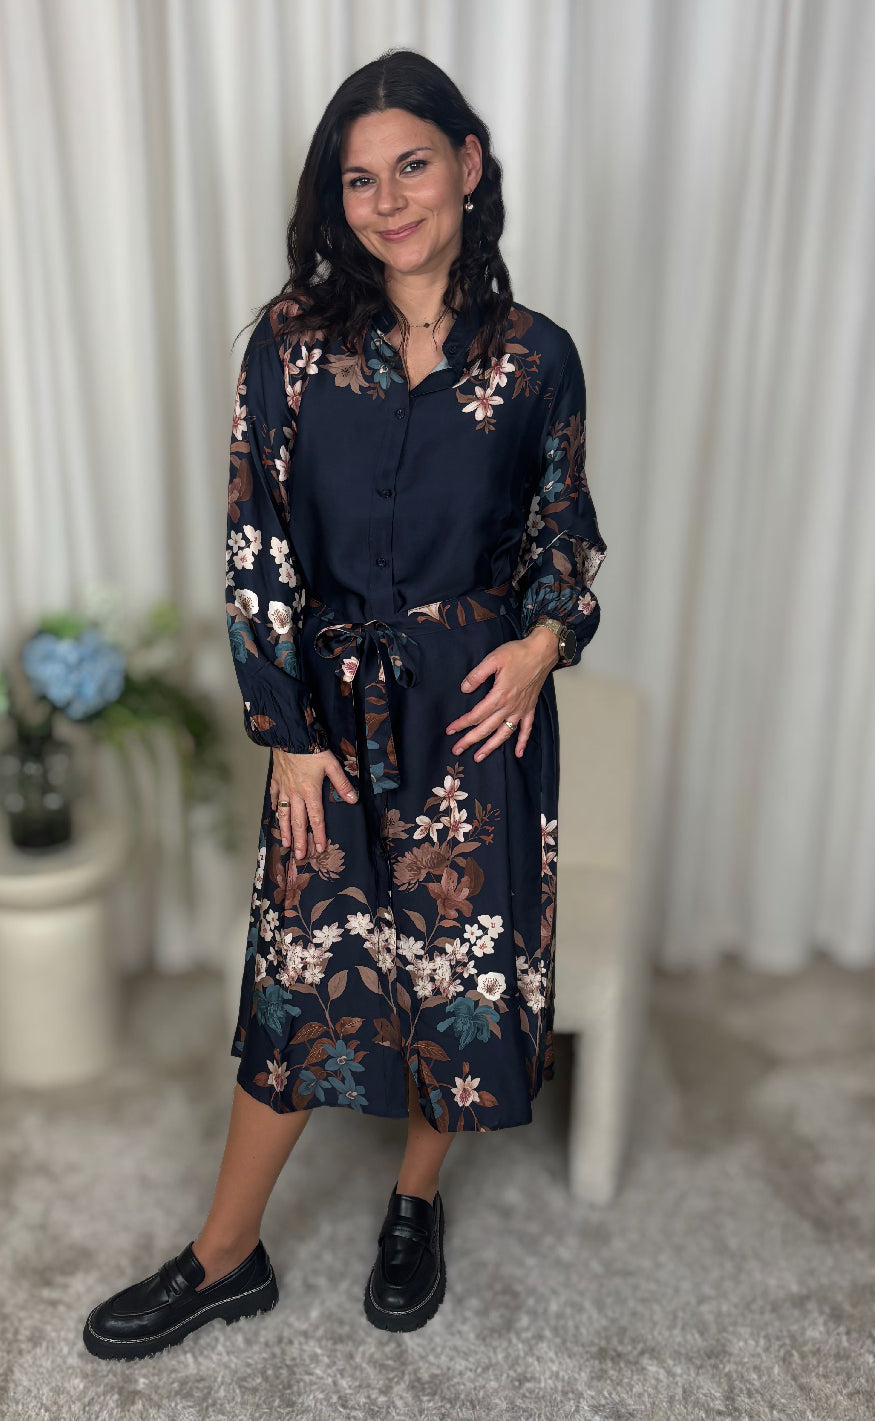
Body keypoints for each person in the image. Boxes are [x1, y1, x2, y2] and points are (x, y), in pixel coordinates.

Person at [82, 47, 607, 1360]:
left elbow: (565, 534)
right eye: (359, 179)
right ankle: (225, 1252)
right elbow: (256, 541)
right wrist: (285, 732)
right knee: (298, 982)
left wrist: (544, 644)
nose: (387, 201)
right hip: (330, 723)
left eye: (411, 166)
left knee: (454, 978)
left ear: (468, 165)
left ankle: (413, 1203)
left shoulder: (538, 359)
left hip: (476, 719)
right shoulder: (292, 344)